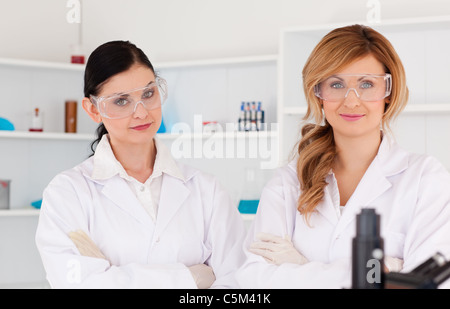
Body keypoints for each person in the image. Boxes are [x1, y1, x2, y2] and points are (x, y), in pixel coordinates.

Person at [235, 24, 450, 289]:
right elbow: (252, 279)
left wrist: (301, 268)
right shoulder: (288, 182)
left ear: (388, 92)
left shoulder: (425, 179)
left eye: (367, 84)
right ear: (319, 93)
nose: (351, 100)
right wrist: (380, 270)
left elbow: (427, 284)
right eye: (336, 84)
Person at [35, 40, 246, 288]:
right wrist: (190, 278)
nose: (142, 112)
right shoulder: (67, 193)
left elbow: (238, 283)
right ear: (93, 110)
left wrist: (114, 276)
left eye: (148, 94)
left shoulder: (206, 191)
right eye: (121, 101)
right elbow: (78, 284)